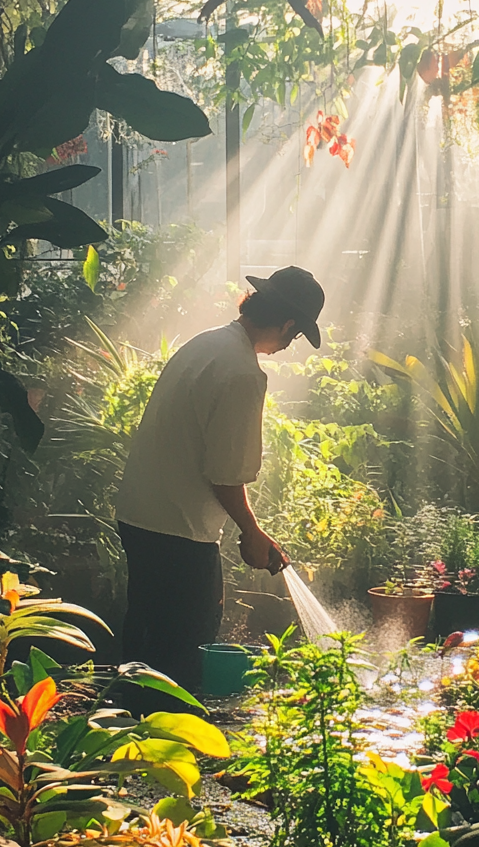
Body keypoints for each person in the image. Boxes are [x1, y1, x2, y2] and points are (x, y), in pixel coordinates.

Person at [113, 266, 325, 704]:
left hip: (139, 514)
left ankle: (121, 737)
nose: (288, 346)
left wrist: (250, 532)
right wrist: (252, 533)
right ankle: (161, 746)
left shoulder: (205, 342)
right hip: (179, 530)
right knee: (183, 651)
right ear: (286, 324)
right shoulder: (244, 373)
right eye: (295, 335)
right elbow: (225, 476)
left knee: (143, 637)